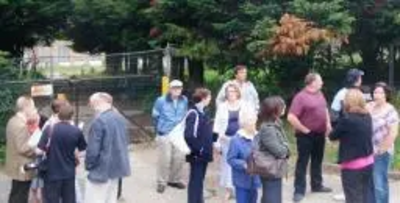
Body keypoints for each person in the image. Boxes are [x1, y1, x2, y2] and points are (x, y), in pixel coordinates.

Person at [287, 73, 332, 202]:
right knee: (303, 162)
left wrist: (328, 123)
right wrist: (304, 129)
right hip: (305, 135)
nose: (322, 83)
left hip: (320, 133)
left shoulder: (320, 93)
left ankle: (317, 185)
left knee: (317, 160)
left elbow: (325, 109)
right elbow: (291, 117)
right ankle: (299, 191)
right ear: (312, 82)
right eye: (320, 80)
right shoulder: (300, 97)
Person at [330, 89, 375, 203]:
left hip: (353, 165)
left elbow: (333, 136)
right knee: (365, 195)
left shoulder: (347, 120)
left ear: (347, 102)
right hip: (368, 162)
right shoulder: (367, 116)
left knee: (353, 197)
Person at [85, 92, 131, 203]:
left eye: (92, 104)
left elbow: (93, 150)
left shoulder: (99, 121)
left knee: (95, 199)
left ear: (98, 103)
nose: (92, 108)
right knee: (111, 198)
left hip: (101, 169)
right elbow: (125, 141)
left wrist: (89, 164)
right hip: (117, 167)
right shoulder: (120, 118)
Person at [38, 103, 87, 203]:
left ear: (58, 115)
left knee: (51, 200)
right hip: (69, 173)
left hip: (51, 173)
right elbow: (82, 149)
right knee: (69, 200)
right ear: (72, 116)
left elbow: (39, 150)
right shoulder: (76, 131)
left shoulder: (49, 129)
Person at [214, 83, 249, 201]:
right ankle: (229, 190)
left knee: (241, 164)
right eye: (228, 91)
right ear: (226, 94)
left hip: (241, 140)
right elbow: (216, 125)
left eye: (233, 91)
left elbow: (250, 121)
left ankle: (240, 189)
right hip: (226, 141)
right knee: (227, 166)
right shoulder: (222, 106)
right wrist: (216, 143)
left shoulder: (244, 105)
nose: (231, 94)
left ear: (237, 93)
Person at [152, 79, 188, 193]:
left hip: (179, 134)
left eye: (179, 88)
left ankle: (174, 180)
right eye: (174, 88)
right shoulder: (161, 100)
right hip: (165, 133)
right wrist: (159, 130)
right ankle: (161, 182)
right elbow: (155, 116)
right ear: (170, 89)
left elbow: (185, 115)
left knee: (179, 158)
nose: (177, 90)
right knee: (165, 159)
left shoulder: (184, 100)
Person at [367, 82, 399, 203]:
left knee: (379, 182)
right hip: (368, 150)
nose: (377, 94)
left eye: (380, 92)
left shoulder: (390, 111)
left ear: (386, 94)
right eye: (375, 92)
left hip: (382, 152)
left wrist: (380, 150)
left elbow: (393, 133)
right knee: (369, 182)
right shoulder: (369, 106)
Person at [258, 96, 290, 203]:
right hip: (269, 169)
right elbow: (279, 151)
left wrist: (285, 147)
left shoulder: (276, 123)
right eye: (282, 106)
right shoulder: (268, 129)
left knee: (271, 197)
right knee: (272, 199)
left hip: (275, 168)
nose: (284, 107)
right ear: (274, 110)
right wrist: (286, 148)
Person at [184, 88, 214, 203]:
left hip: (203, 154)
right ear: (203, 98)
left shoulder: (203, 112)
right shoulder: (193, 113)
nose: (210, 99)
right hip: (197, 155)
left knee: (199, 180)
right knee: (195, 181)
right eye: (209, 97)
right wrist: (200, 149)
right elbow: (189, 135)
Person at [5, 96, 36, 203]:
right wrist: (36, 148)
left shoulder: (12, 120)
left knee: (16, 192)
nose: (33, 109)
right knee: (21, 195)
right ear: (25, 107)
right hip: (22, 167)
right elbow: (22, 148)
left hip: (15, 165)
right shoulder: (21, 125)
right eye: (32, 107)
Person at [227, 109, 261, 203]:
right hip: (241, 181)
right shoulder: (236, 140)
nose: (253, 123)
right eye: (250, 121)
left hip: (255, 179)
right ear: (243, 123)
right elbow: (230, 159)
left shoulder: (258, 137)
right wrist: (244, 164)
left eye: (254, 120)